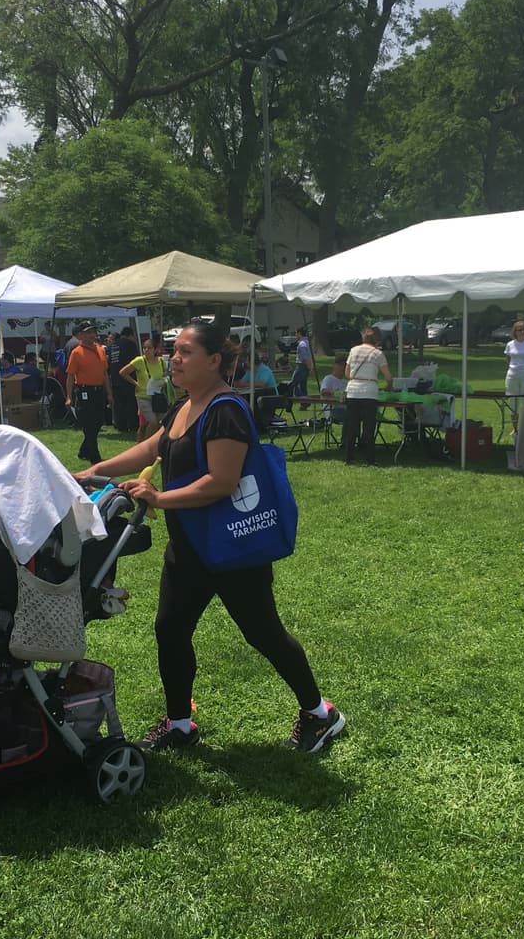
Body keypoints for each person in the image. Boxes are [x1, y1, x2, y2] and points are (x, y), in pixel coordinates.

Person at [75, 320, 345, 754]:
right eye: (173, 351)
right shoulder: (184, 406)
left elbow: (221, 481)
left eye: (185, 352)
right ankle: (180, 724)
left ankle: (320, 713)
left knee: (263, 634)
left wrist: (159, 499)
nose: (174, 359)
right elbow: (152, 449)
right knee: (170, 629)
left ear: (214, 360)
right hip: (189, 548)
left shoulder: (226, 410)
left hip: (232, 549)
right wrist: (94, 471)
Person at [64, 321, 112, 463]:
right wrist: (69, 396)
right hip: (85, 391)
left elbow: (104, 374)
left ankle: (84, 450)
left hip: (99, 391)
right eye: (88, 333)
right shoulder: (76, 353)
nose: (92, 335)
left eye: (93, 332)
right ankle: (95, 457)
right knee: (89, 424)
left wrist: (109, 393)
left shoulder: (100, 350)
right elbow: (70, 376)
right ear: (81, 335)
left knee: (98, 422)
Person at [343, 328, 392, 465]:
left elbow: (347, 373)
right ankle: (370, 459)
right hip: (369, 392)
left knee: (352, 427)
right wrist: (389, 385)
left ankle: (349, 458)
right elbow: (388, 376)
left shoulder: (353, 351)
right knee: (369, 428)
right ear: (376, 340)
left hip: (353, 391)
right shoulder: (378, 354)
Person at [119, 337, 169, 442]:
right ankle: (146, 446)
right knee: (153, 421)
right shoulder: (139, 361)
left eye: (149, 348)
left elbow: (165, 375)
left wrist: (164, 382)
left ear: (156, 349)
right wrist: (135, 383)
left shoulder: (161, 361)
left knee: (159, 422)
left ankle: (147, 444)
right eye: (144, 348)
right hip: (143, 396)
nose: (146, 350)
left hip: (157, 396)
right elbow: (123, 372)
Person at [111, 326, 140, 433]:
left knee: (119, 405)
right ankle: (133, 426)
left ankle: (121, 426)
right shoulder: (130, 344)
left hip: (114, 379)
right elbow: (136, 360)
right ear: (130, 335)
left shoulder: (114, 345)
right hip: (127, 378)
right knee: (131, 404)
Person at [319, 354, 347, 424]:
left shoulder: (346, 382)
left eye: (345, 366)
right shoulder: (328, 379)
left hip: (346, 409)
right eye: (341, 365)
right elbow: (323, 391)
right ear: (335, 365)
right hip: (333, 411)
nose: (343, 368)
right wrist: (335, 392)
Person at [293, 328, 314, 396]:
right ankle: (305, 402)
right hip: (306, 366)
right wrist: (310, 367)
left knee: (293, 384)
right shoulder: (308, 342)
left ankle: (302, 398)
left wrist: (309, 367)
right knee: (303, 385)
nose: (295, 335)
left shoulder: (302, 344)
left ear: (299, 333)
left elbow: (305, 358)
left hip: (301, 366)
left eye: (296, 333)